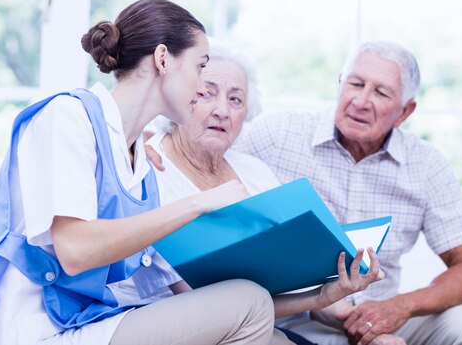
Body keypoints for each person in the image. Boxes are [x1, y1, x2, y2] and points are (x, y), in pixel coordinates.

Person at [0, 0, 293, 345]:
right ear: (163, 59)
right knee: (249, 302)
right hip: (39, 331)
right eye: (200, 67)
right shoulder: (68, 117)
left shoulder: (142, 164)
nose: (201, 86)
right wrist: (200, 202)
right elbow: (74, 250)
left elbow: (189, 287)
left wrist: (321, 298)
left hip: (92, 323)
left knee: (264, 323)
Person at [235, 40, 462, 345]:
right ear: (340, 83)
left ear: (405, 111)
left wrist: (400, 307)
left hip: (383, 315)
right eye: (356, 83)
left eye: (381, 92)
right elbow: (207, 166)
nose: (361, 101)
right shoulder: (279, 134)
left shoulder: (426, 165)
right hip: (297, 315)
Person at [145, 41, 386, 345]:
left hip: (254, 323)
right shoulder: (146, 166)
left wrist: (334, 294)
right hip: (179, 327)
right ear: (179, 96)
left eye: (236, 100)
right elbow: (202, 300)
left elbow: (276, 291)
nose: (222, 111)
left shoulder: (253, 171)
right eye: (206, 93)